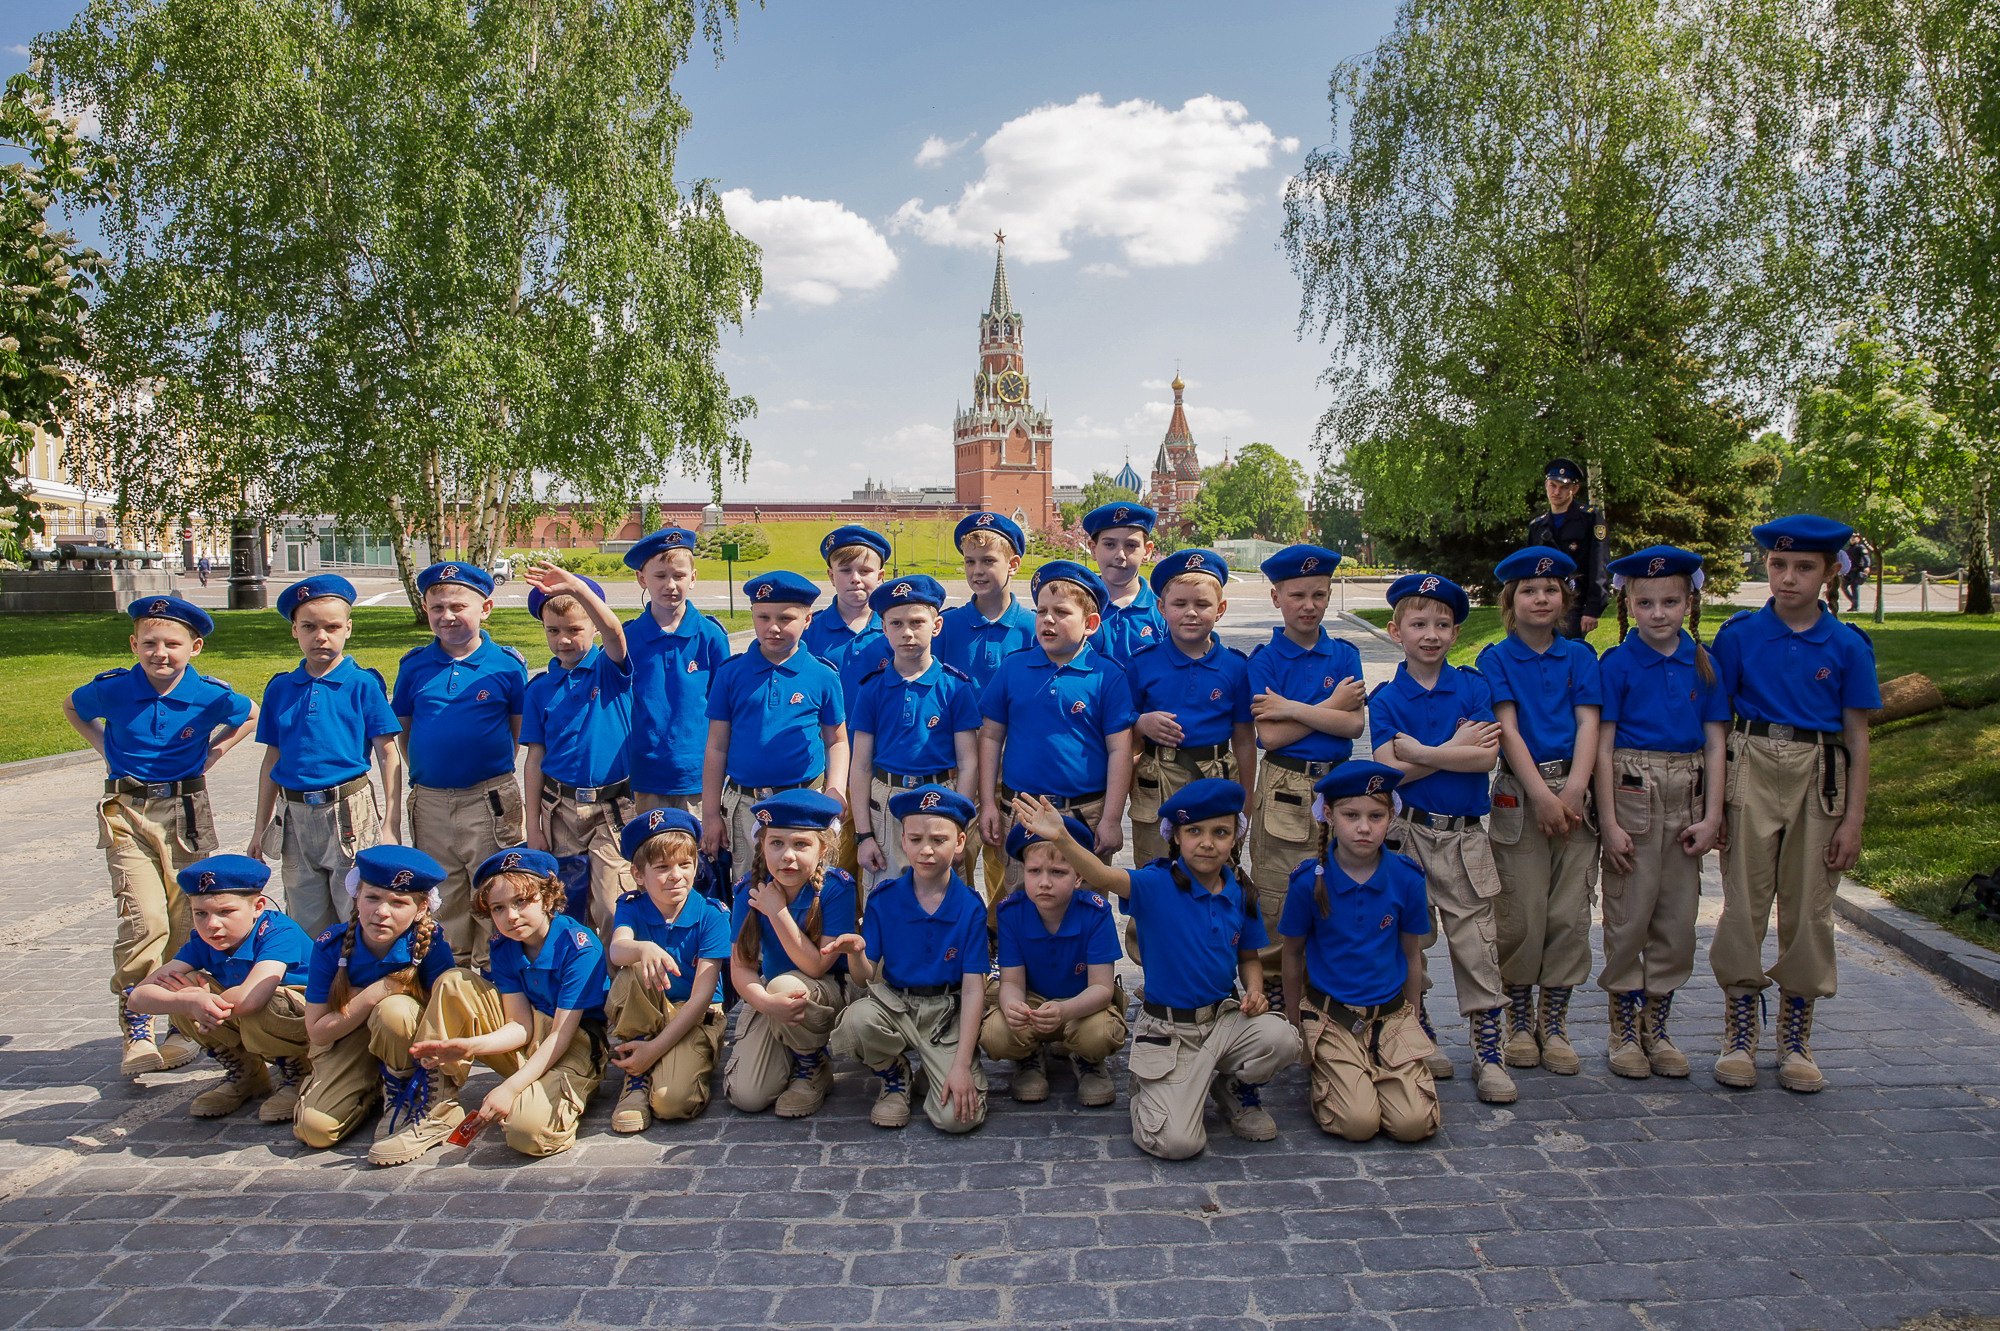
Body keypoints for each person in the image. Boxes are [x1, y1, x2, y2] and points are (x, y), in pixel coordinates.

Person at [1014, 780, 1300, 1159]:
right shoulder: (1155, 884)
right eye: (1194, 831)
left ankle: (1233, 1087)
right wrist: (1064, 839)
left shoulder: (1240, 891)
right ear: (1176, 837)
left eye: (1221, 832)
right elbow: (1101, 877)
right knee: (1177, 1144)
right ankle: (1154, 1087)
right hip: (1171, 1029)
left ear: (1236, 839)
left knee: (1282, 1037)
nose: (1207, 842)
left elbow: (1248, 957)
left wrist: (1254, 990)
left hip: (1222, 1020)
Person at [1709, 516, 1879, 1093]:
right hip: (1752, 762)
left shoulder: (1848, 645)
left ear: (1831, 572)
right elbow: (1716, 725)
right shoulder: (1737, 637)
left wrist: (1852, 819)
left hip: (1819, 773)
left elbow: (1857, 736)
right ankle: (1738, 1029)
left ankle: (1796, 1034)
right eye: (1778, 565)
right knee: (1744, 900)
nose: (1788, 578)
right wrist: (1717, 806)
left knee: (1809, 904)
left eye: (1804, 567)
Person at [64, 593, 258, 1078]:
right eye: (149, 643)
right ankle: (137, 1025)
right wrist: (102, 748)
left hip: (186, 812)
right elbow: (73, 707)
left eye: (172, 643)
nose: (160, 653)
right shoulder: (113, 689)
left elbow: (249, 714)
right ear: (134, 644)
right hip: (126, 810)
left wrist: (215, 753)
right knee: (143, 917)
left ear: (195, 647)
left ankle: (181, 1023)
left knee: (185, 917)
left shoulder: (209, 694)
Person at [1367, 574, 1515, 1102]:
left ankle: (1489, 1047)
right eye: (1419, 623)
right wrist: (1451, 746)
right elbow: (1387, 772)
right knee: (1411, 939)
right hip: (1408, 834)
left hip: (1464, 837)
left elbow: (1485, 756)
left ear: (1456, 632)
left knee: (1476, 941)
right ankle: (1419, 1027)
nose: (1431, 634)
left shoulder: (1473, 687)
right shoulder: (1386, 699)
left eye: (1443, 624)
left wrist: (1424, 752)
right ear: (1395, 631)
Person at [1594, 546, 1729, 1079]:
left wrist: (1713, 815)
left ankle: (1658, 1022)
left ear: (1688, 601)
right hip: (1633, 789)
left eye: (1670, 601)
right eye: (1646, 601)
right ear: (1629, 601)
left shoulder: (1703, 662)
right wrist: (1607, 821)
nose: (1658, 613)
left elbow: (1717, 743)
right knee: (1630, 911)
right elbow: (1602, 746)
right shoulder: (1618, 664)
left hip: (1688, 791)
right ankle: (1622, 1026)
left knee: (1677, 915)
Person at [1476, 548, 1602, 1077]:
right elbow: (1506, 729)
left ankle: (1555, 1020)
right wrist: (1544, 796)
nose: (1542, 598)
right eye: (1529, 590)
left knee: (1568, 913)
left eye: (1551, 590)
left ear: (1565, 599)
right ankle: (1519, 1018)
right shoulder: (1495, 659)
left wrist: (1573, 790)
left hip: (1574, 790)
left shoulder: (1580, 657)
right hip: (1521, 792)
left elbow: (1590, 722)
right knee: (1522, 909)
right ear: (1511, 601)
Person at [400, 848, 611, 1160]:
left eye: (521, 901)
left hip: (574, 1041)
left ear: (548, 899)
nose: (510, 916)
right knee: (455, 981)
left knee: (527, 1133)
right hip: (532, 1037)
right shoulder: (503, 946)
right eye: (498, 908)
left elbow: (560, 1035)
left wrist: (510, 1088)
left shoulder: (578, 946)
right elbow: (520, 1027)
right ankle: (436, 1106)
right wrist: (470, 1045)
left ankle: (559, 1090)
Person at [1280, 762, 1439, 1143]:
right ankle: (1340, 1072)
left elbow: (1412, 954)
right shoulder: (1308, 883)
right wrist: (1293, 1024)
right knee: (1358, 1124)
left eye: (1376, 816)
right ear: (1330, 816)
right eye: (1352, 815)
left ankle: (1379, 1069)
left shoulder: (1406, 878)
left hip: (1390, 1014)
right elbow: (1291, 955)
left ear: (1391, 817)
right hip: (1333, 1014)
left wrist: (1413, 1016)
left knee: (1413, 1125)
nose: (1364, 827)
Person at [247, 574, 403, 940]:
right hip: (295, 815)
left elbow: (388, 754)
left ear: (348, 628)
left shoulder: (363, 684)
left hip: (348, 810)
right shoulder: (281, 688)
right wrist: (259, 827)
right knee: (305, 918)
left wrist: (391, 823)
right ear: (294, 632)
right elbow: (273, 759)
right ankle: (313, 993)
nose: (321, 636)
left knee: (357, 910)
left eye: (332, 627)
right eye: (309, 627)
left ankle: (357, 991)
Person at [827, 786, 990, 1133]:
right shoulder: (884, 899)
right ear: (902, 840)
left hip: (946, 1013)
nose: (926, 850)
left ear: (960, 843)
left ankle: (938, 1070)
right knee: (856, 1024)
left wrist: (961, 1066)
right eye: (915, 839)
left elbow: (975, 989)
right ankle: (893, 1074)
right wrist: (856, 954)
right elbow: (864, 978)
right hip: (897, 1005)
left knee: (958, 1120)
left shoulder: (971, 907)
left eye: (939, 839)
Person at [391, 561, 527, 970]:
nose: (446, 616)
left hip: (488, 801)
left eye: (458, 606)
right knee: (443, 896)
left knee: (493, 890)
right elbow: (404, 731)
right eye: (437, 608)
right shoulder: (414, 665)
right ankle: (450, 975)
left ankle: (494, 977)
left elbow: (517, 731)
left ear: (485, 608)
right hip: (431, 802)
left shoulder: (505, 665)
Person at [977, 561, 1137, 897]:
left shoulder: (1106, 675)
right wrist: (989, 804)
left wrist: (1110, 819)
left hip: (1084, 813)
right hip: (1023, 812)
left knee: (1085, 906)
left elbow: (1120, 750)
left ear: (1091, 623)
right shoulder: (1013, 667)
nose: (1048, 619)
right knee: (1022, 902)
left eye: (1061, 612)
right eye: (1041, 611)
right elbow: (990, 736)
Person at [1245, 544, 1368, 981]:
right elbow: (1271, 736)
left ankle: (1331, 994)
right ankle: (1277, 992)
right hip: (1285, 786)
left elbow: (1354, 727)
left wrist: (1293, 708)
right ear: (1276, 597)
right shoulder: (1265, 660)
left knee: (1342, 890)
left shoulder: (1345, 656)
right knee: (1278, 894)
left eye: (1319, 594)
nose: (1309, 605)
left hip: (1340, 787)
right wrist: (1331, 706)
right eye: (1297, 595)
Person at [293, 845, 455, 1159]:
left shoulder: (429, 946)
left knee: (395, 1011)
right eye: (373, 898)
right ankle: (365, 1087)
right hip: (345, 1040)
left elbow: (445, 1017)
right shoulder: (332, 948)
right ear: (357, 897)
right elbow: (317, 1031)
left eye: (398, 903)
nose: (382, 912)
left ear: (421, 909)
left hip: (404, 1047)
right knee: (316, 1131)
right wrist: (376, 991)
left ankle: (400, 1091)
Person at [126, 854, 314, 1121]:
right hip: (242, 1012)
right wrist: (189, 1002)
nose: (212, 924)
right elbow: (139, 998)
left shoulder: (278, 932)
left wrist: (203, 1002)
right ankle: (247, 1073)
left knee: (268, 1001)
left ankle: (299, 1070)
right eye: (200, 913)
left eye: (226, 912)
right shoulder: (204, 940)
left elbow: (251, 998)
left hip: (309, 1024)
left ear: (258, 906)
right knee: (181, 990)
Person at [701, 571, 849, 877]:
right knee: (748, 886)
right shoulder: (731, 674)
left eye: (786, 618)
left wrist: (835, 788)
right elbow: (716, 747)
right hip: (745, 805)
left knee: (807, 889)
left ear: (808, 620)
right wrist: (711, 814)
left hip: (803, 802)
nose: (773, 627)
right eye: (763, 617)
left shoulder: (822, 676)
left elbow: (837, 740)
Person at [723, 790, 855, 1118]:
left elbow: (815, 965)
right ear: (762, 845)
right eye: (776, 843)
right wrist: (766, 1005)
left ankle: (812, 1066)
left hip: (828, 991)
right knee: (748, 1097)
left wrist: (778, 912)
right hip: (774, 995)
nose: (788, 857)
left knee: (785, 987)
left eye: (801, 844)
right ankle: (791, 1052)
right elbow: (741, 970)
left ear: (823, 848)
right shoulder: (748, 891)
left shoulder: (836, 889)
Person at [979, 816, 1127, 1107]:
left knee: (1100, 1034)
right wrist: (1013, 1008)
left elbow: (1101, 988)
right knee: (996, 1032)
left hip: (1081, 1006)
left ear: (1079, 877)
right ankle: (1028, 1058)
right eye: (1035, 871)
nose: (1044, 882)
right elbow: (1011, 982)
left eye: (1058, 872)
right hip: (1033, 1004)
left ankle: (1088, 1059)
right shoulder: (1011, 913)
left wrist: (1065, 1009)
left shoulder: (1095, 913)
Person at [519, 566, 634, 937]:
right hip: (560, 809)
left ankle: (616, 983)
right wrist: (532, 825)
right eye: (553, 630)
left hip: (611, 808)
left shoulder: (608, 669)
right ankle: (577, 981)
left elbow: (616, 632)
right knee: (565, 904)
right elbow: (534, 759)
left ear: (593, 628)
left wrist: (579, 589)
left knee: (611, 903)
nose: (563, 640)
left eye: (574, 629)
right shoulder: (539, 689)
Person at [1124, 550, 1256, 872]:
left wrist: (1246, 805)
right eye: (1180, 604)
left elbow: (1243, 739)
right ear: (1161, 608)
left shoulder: (1236, 667)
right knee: (1156, 876)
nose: (1191, 613)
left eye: (1203, 604)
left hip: (1216, 780)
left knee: (1214, 876)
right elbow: (1122, 735)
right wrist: (1139, 723)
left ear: (1220, 609)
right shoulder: (1141, 664)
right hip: (1157, 784)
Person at [847, 575, 981, 889]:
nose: (906, 632)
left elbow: (969, 763)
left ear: (936, 626)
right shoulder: (872, 689)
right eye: (895, 623)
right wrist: (864, 835)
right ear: (883, 627)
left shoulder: (955, 687)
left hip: (942, 799)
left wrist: (958, 823)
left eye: (917, 622)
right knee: (885, 892)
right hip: (886, 801)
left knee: (945, 896)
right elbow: (861, 765)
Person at [605, 809, 731, 1131]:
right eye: (661, 868)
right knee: (633, 968)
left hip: (692, 1015)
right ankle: (635, 1078)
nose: (676, 875)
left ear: (696, 866)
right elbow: (618, 950)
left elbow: (702, 998)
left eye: (685, 865)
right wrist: (643, 948)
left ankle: (652, 1062)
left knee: (672, 1103)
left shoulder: (711, 915)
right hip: (645, 1012)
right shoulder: (631, 907)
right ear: (638, 874)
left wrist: (656, 1050)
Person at [937, 512, 1038, 910]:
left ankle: (998, 938)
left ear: (1013, 564)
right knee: (955, 855)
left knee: (1004, 858)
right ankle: (959, 938)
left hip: (1011, 765)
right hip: (958, 762)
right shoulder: (949, 626)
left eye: (988, 561)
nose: (977, 571)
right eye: (969, 562)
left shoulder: (1032, 627)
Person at [622, 527, 731, 816]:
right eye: (660, 576)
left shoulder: (710, 636)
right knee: (651, 856)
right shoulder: (627, 638)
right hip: (644, 772)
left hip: (697, 773)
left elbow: (723, 706)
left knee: (696, 856)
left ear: (693, 578)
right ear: (642, 578)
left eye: (679, 576)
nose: (670, 584)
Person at [805, 525, 891, 880]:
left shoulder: (894, 628)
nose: (856, 580)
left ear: (882, 576)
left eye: (866, 571)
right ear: (830, 575)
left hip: (882, 768)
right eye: (845, 570)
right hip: (829, 770)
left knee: (879, 867)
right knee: (830, 872)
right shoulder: (810, 631)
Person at [1527, 458, 1609, 639]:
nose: (1557, 492)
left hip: (1575, 602)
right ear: (1546, 486)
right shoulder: (1537, 526)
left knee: (1570, 656)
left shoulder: (1590, 518)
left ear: (1574, 489)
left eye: (1563, 487)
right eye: (1552, 485)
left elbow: (1598, 563)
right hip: (1543, 603)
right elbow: (1530, 570)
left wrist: (1593, 608)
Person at [1081, 501, 1168, 665]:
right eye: (1109, 544)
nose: (1120, 554)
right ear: (1093, 549)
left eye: (1131, 545)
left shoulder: (1163, 611)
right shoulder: (1077, 607)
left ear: (1147, 551)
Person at [1842, 534, 1871, 613]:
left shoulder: (1860, 547)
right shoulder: (1849, 548)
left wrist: (1867, 566)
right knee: (1843, 586)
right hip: (1849, 571)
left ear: (1858, 539)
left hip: (1857, 570)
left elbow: (1866, 557)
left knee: (1855, 588)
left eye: (1854, 538)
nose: (1852, 539)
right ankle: (1854, 602)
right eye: (1851, 538)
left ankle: (1855, 606)